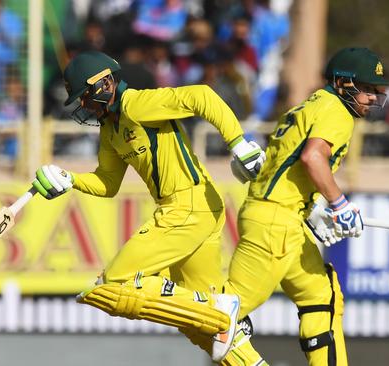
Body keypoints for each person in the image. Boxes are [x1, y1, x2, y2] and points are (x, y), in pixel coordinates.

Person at [30, 51, 266, 362]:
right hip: (194, 209)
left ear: (103, 85)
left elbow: (202, 96)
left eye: (84, 97)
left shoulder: (135, 104)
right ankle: (225, 323)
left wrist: (238, 143)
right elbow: (107, 183)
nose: (83, 106)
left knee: (114, 283)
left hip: (189, 206)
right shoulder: (109, 129)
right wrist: (69, 179)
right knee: (199, 328)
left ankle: (217, 309)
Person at [221, 47, 389, 365]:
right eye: (366, 90)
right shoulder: (337, 111)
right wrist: (338, 203)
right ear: (344, 83)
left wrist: (312, 208)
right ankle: (149, 296)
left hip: (280, 216)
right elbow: (313, 158)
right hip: (275, 222)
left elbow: (286, 167)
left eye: (374, 92)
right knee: (222, 314)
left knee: (321, 294)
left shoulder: (311, 103)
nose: (371, 99)